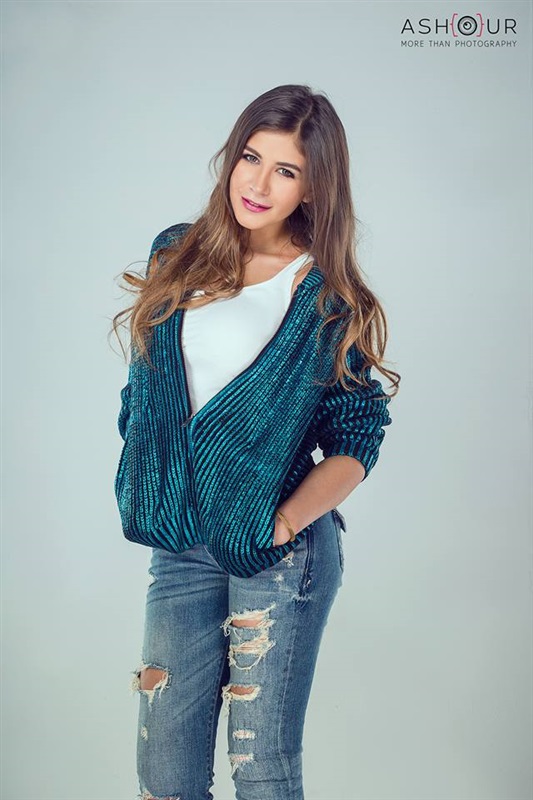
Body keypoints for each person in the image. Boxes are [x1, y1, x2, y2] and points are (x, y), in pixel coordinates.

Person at [111, 83, 400, 800]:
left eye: (286, 170)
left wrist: (285, 521)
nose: (259, 184)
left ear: (313, 187)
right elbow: (145, 394)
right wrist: (150, 475)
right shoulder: (176, 253)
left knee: (261, 770)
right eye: (251, 157)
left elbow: (356, 437)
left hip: (278, 554)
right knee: (164, 776)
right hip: (180, 544)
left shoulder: (323, 295)